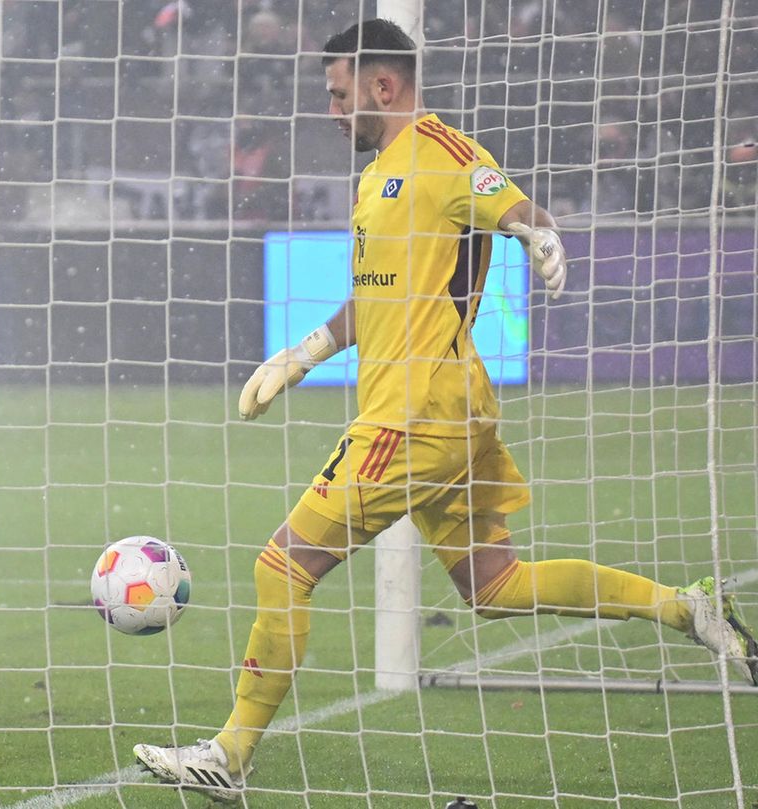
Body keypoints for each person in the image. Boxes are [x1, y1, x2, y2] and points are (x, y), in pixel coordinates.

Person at [132, 18, 758, 802]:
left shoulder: (444, 153)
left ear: (382, 84)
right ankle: (685, 607)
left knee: (282, 565)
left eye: (339, 94)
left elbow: (518, 208)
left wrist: (539, 237)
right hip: (440, 410)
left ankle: (229, 754)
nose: (332, 111)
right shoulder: (376, 177)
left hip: (415, 415)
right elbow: (375, 296)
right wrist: (303, 354)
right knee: (494, 585)